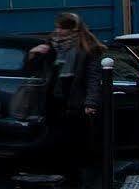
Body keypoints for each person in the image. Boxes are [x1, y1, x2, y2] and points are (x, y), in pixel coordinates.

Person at [30, 13, 108, 183]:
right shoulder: (52, 44)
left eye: (62, 28)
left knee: (76, 142)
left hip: (75, 101)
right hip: (53, 99)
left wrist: (90, 102)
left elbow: (93, 78)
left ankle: (78, 178)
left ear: (72, 29)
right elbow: (37, 70)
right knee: (55, 139)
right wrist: (34, 54)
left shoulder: (88, 48)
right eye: (57, 27)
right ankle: (64, 175)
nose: (58, 31)